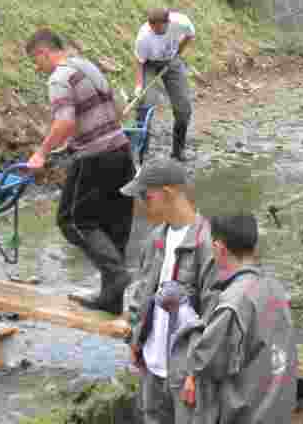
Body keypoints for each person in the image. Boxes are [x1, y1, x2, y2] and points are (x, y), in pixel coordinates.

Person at [26, 29, 136, 315]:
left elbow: (64, 123)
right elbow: (113, 107)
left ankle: (117, 273)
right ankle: (112, 298)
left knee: (73, 221)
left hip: (94, 158)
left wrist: (41, 152)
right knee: (114, 225)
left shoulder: (59, 78)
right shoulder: (87, 66)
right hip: (122, 152)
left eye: (36, 61)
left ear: (43, 52)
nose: (38, 68)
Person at [176, 214, 298, 424]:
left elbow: (204, 362)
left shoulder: (232, 304)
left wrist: (185, 317)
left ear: (218, 248)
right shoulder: (276, 289)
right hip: (278, 409)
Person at [124, 160, 217, 424]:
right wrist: (135, 340)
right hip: (152, 366)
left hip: (185, 373)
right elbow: (142, 294)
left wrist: (197, 374)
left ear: (168, 193)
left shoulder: (207, 244)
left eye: (146, 195)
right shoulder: (155, 239)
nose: (141, 203)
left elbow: (214, 316)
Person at [135, 8, 197, 161]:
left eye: (158, 28)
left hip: (171, 62)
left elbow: (190, 35)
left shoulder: (181, 22)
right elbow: (139, 61)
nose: (154, 31)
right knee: (145, 105)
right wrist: (138, 85)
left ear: (167, 23)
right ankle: (141, 153)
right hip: (149, 64)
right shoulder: (144, 36)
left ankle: (178, 151)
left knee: (183, 109)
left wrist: (177, 54)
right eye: (152, 28)